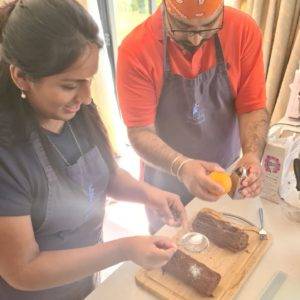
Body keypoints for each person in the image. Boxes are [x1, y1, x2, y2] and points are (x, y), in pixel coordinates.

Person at [0, 1, 187, 299]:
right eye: (69, 85)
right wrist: (124, 248)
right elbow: (22, 270)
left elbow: (104, 174)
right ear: (22, 77)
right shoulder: (8, 157)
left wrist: (149, 194)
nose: (86, 98)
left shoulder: (77, 114)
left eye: (89, 81)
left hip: (84, 285)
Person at [117, 0, 269, 232]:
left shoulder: (242, 30)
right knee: (173, 255)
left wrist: (251, 154)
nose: (196, 39)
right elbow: (139, 133)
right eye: (183, 27)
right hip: (167, 180)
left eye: (209, 26)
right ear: (165, 8)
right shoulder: (136, 49)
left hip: (225, 174)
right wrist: (182, 166)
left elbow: (252, 106)